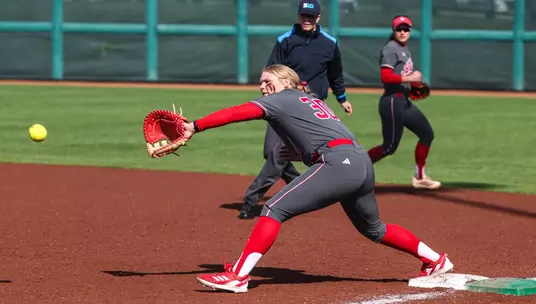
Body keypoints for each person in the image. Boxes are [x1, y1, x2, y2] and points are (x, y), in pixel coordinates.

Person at [179, 64, 454, 293]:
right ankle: (434, 260)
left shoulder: (281, 98)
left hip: (339, 163)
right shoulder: (310, 100)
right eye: (260, 83)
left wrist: (195, 126)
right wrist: (299, 152)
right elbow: (317, 142)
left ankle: (239, 276)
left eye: (267, 80)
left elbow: (238, 113)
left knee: (274, 208)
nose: (262, 86)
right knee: (375, 230)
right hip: (360, 162)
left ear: (286, 80)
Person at [239, 0, 354, 220]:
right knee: (271, 152)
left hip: (312, 109)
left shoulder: (329, 43)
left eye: (311, 17)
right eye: (304, 16)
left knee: (278, 155)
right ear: (299, 16)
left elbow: (335, 74)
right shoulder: (285, 41)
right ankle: (296, 183)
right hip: (285, 104)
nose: (307, 20)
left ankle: (250, 201)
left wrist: (342, 98)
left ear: (318, 18)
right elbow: (271, 71)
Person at [366, 15, 442, 190]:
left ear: (410, 31)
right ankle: (353, 170)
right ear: (394, 31)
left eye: (405, 29)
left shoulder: (403, 49)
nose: (402, 32)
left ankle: (420, 177)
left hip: (402, 100)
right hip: (392, 101)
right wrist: (411, 77)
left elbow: (400, 76)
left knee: (426, 134)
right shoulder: (391, 49)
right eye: (399, 29)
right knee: (389, 147)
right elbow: (385, 76)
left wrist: (412, 85)